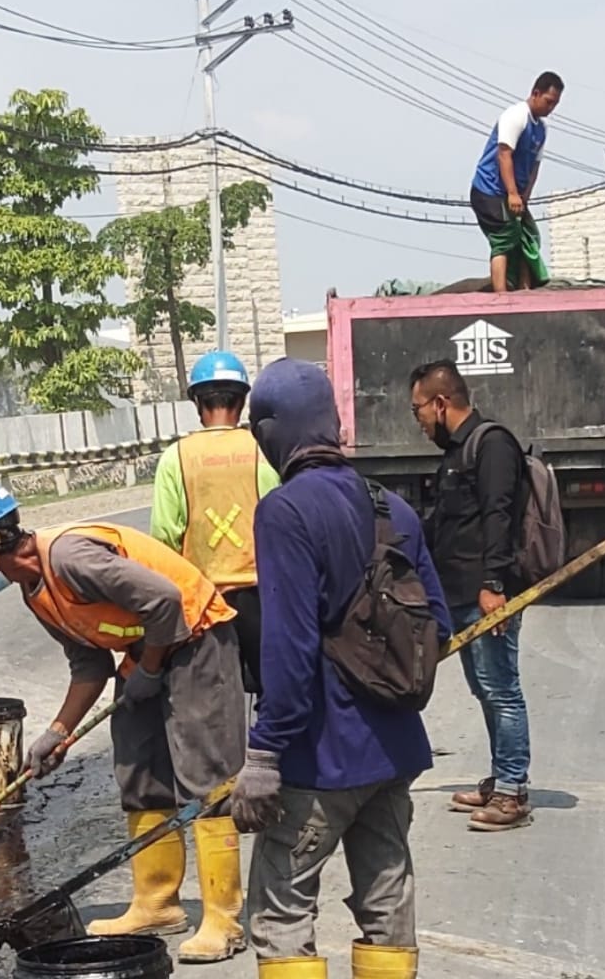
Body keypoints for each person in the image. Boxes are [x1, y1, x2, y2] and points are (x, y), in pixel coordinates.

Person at [0, 479, 249, 963]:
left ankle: (223, 920)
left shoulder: (71, 558)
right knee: (139, 771)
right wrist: (57, 733)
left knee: (205, 775)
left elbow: (164, 600)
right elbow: (90, 665)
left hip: (197, 637)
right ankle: (157, 903)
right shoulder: (34, 591)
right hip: (149, 652)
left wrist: (148, 670)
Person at [231, 358, 449, 979]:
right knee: (386, 901)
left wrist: (265, 754)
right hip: (395, 755)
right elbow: (439, 624)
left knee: (281, 908)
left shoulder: (285, 511)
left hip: (320, 760)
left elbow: (290, 649)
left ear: (272, 433)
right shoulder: (393, 509)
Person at [408, 359, 533, 831]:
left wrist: (494, 586)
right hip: (459, 592)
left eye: (418, 408)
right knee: (484, 688)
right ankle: (502, 777)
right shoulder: (457, 451)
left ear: (441, 403)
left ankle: (513, 792)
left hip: (486, 593)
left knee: (502, 688)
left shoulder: (492, 445)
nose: (417, 420)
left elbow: (499, 517)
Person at [151, 350, 280, 701]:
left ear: (197, 401)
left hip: (203, 602)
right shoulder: (262, 449)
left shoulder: (176, 457)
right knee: (274, 694)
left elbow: (164, 537)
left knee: (213, 700)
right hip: (262, 597)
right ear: (241, 401)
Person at [469, 71, 564, 294]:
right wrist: (512, 193)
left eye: (556, 104)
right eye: (549, 102)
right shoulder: (516, 116)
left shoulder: (541, 129)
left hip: (513, 194)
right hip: (489, 191)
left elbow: (534, 167)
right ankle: (501, 296)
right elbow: (504, 154)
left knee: (528, 235)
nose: (551, 108)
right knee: (505, 236)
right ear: (536, 93)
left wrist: (524, 197)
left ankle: (524, 288)